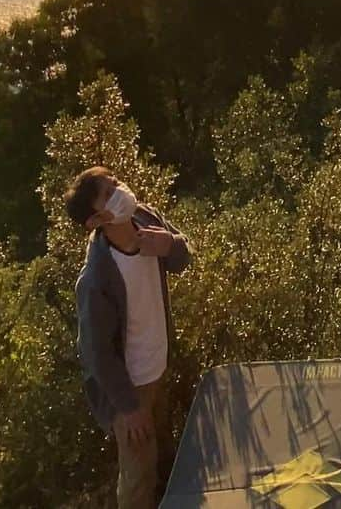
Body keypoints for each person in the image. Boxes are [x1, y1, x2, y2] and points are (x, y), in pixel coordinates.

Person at [65, 166, 192, 509]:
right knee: (138, 481)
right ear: (95, 221)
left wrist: (169, 245)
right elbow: (97, 354)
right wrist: (129, 408)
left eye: (114, 182)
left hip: (160, 364)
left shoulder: (143, 217)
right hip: (131, 387)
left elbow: (184, 256)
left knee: (165, 456)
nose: (120, 189)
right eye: (108, 193)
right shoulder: (96, 280)